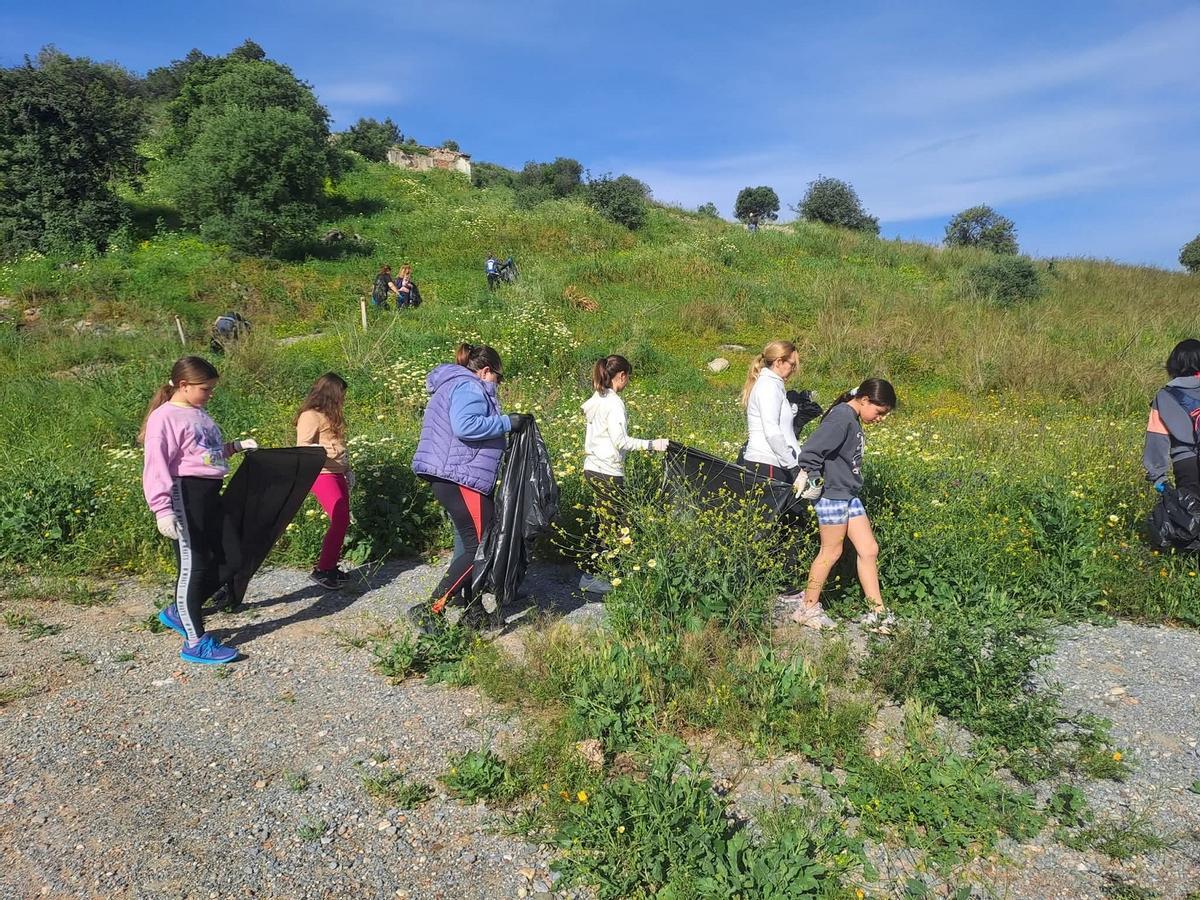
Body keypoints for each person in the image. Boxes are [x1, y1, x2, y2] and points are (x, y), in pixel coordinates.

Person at [140, 356, 258, 664]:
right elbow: (156, 463)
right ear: (183, 385)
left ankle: (178, 611)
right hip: (185, 494)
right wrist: (162, 509)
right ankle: (195, 642)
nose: (210, 394)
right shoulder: (164, 417)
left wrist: (234, 447)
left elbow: (205, 455)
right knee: (195, 566)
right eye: (205, 389)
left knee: (233, 558)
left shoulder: (199, 413)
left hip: (209, 494)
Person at [410, 343, 532, 627]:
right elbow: (465, 426)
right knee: (481, 547)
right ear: (487, 371)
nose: (498, 384)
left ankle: (473, 611)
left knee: (471, 544)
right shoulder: (469, 386)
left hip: (455, 475)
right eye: (498, 378)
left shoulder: (453, 384)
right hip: (460, 476)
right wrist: (506, 423)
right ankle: (431, 608)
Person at [790, 378, 897, 632]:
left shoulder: (851, 417)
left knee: (869, 549)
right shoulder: (841, 418)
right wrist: (815, 479)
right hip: (832, 495)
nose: (880, 419)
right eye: (879, 412)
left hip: (848, 495)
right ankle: (807, 608)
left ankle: (878, 614)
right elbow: (810, 452)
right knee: (831, 552)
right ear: (864, 400)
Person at [580, 355, 669, 593]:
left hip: (592, 467)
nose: (628, 381)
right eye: (628, 376)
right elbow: (620, 441)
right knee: (611, 525)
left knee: (615, 522)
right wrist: (653, 444)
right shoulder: (614, 403)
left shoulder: (597, 398)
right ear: (622, 376)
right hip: (607, 470)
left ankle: (620, 570)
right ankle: (593, 576)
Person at [296, 373, 353, 590]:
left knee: (343, 520)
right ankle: (323, 569)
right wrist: (322, 454)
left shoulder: (331, 415)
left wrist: (347, 468)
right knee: (339, 518)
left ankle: (330, 566)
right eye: (341, 395)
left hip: (337, 472)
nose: (343, 399)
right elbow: (303, 446)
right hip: (322, 474)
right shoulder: (310, 415)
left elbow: (337, 445)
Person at [740, 340, 803, 484]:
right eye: (792, 364)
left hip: (776, 462)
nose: (793, 369)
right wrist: (792, 466)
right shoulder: (768, 387)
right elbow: (772, 430)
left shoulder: (774, 385)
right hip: (767, 463)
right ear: (779, 362)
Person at [1144, 338, 1200, 496]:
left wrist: (1159, 478)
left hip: (1186, 463)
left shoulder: (1164, 396)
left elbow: (1156, 438)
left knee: (1191, 516)